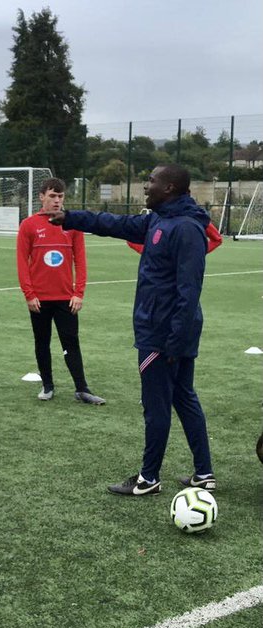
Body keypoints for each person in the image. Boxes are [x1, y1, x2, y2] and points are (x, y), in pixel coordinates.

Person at [50, 164, 214, 496]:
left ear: (169, 188)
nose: (145, 186)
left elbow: (189, 289)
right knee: (183, 397)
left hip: (164, 333)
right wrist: (71, 218)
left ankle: (148, 479)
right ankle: (204, 474)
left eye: (151, 181)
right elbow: (117, 224)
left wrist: (174, 341)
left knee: (157, 405)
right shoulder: (159, 220)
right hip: (166, 329)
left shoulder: (185, 228)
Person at [16, 177, 105, 404]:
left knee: (71, 342)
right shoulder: (28, 225)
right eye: (52, 196)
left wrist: (79, 293)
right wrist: (29, 294)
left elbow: (81, 261)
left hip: (66, 298)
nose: (57, 200)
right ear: (41, 197)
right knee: (42, 342)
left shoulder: (72, 224)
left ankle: (82, 388)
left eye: (60, 196)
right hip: (39, 299)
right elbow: (21, 263)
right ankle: (47, 385)